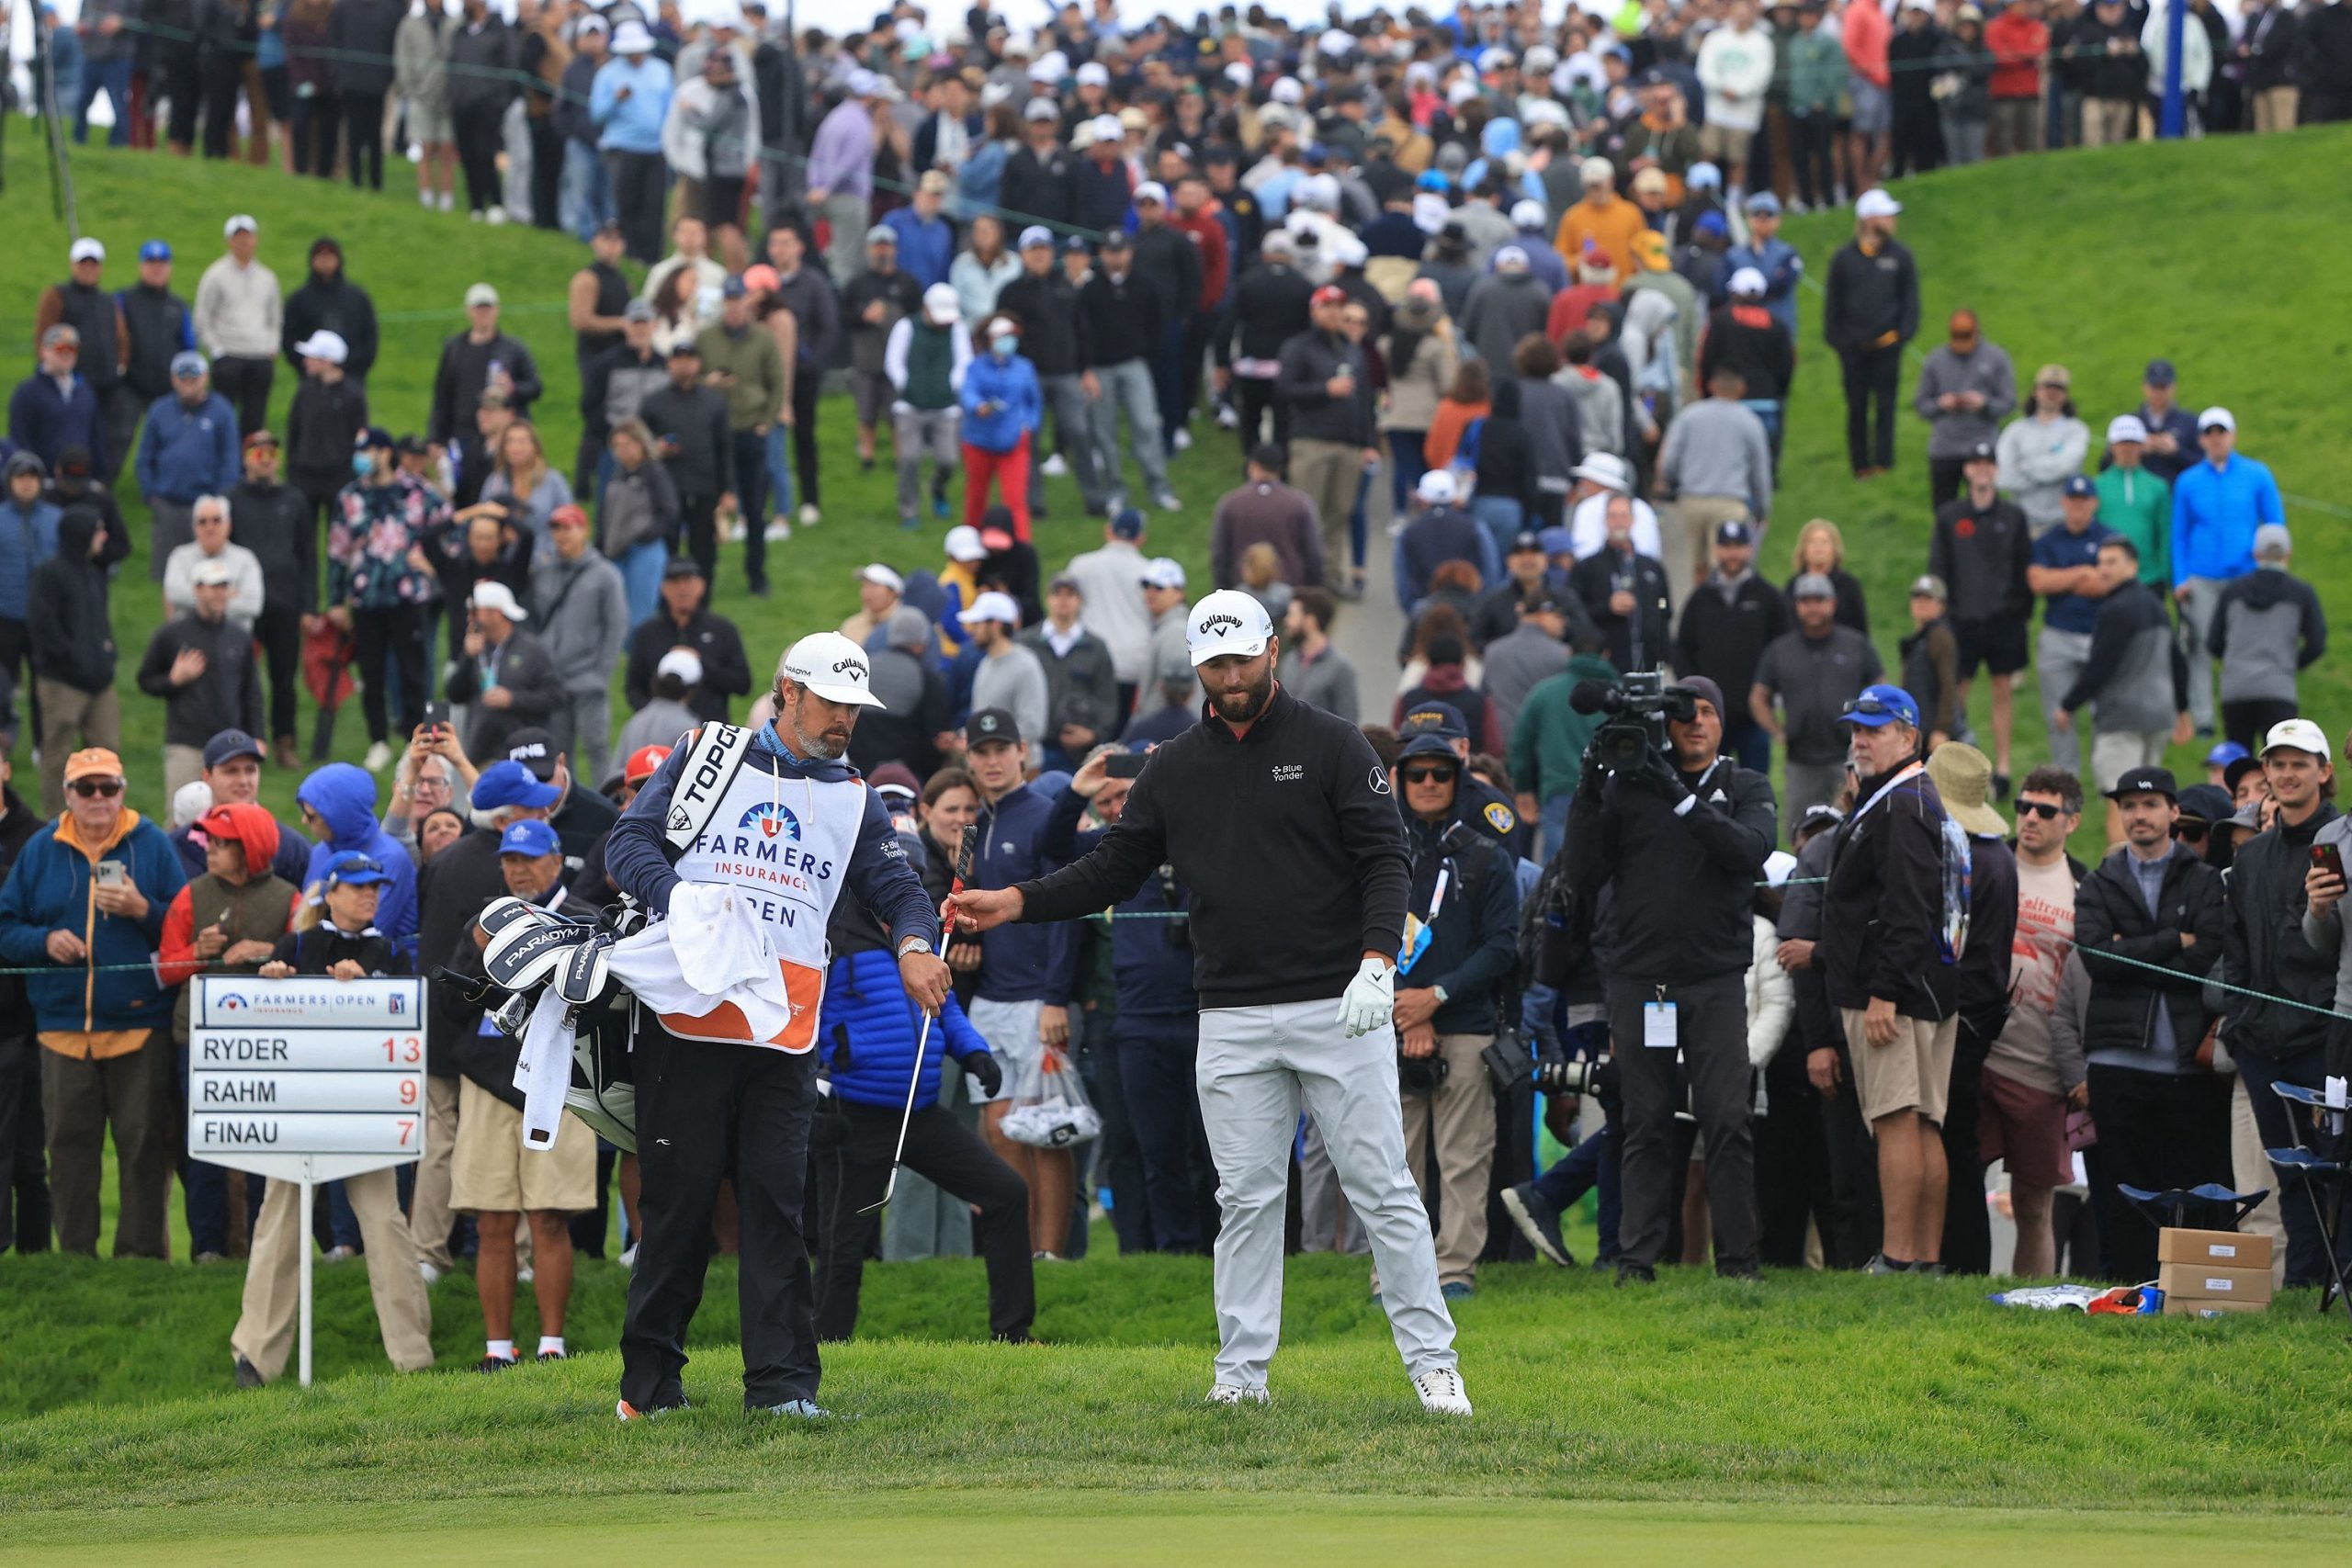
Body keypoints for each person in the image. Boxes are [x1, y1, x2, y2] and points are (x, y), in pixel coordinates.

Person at [956, 590, 1470, 1416]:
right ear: (1194, 665)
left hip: (1337, 1002)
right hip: (1228, 1010)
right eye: (1213, 663)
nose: (1228, 677)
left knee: (1382, 1187)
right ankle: (1241, 1375)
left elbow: (1385, 857)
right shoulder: (1173, 767)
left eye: (1240, 659)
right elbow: (1111, 870)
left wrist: (1378, 959)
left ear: (1272, 648)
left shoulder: (1335, 744)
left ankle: (1434, 1366)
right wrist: (1013, 900)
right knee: (1246, 1199)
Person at [604, 633, 949, 1419]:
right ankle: (649, 1388)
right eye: (832, 705)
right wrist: (679, 900)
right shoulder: (705, 751)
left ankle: (784, 1387)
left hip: (784, 1034)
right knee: (678, 1210)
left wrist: (916, 943)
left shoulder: (854, 795)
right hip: (686, 1018)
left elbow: (898, 886)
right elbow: (627, 842)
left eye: (855, 710)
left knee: (776, 1208)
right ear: (787, 690)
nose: (844, 723)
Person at [1566, 670, 1777, 1280]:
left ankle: (1738, 1263)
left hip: (1713, 980)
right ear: (1666, 725)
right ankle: (1638, 1259)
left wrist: (1679, 797)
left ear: (1721, 720)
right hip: (1641, 980)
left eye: (1707, 712)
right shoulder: (1630, 787)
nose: (1697, 723)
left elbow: (1748, 849)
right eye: (1685, 715)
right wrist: (1588, 788)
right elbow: (1582, 872)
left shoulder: (1745, 784)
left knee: (1725, 1116)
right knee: (1645, 1119)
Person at [809, 887, 1028, 1341]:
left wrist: (973, 1053)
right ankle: (823, 1348)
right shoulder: (833, 939)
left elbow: (944, 1008)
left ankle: (1013, 1332)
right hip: (855, 1116)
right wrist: (815, 1090)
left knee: (1006, 1193)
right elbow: (807, 1018)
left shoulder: (923, 941)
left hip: (923, 1113)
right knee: (843, 1246)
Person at [0, 748, 186, 1258]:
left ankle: (140, 1259)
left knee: (143, 1146)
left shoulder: (150, 846)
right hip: (61, 1029)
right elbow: (5, 927)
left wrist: (142, 908)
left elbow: (185, 928)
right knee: (67, 1149)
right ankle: (77, 1259)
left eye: (108, 787)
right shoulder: (40, 849)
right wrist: (44, 942)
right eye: (87, 788)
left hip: (138, 1026)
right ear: (68, 795)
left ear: (123, 790)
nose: (98, 798)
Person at [1817, 686, 1959, 1274]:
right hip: (1922, 989)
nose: (1860, 740)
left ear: (1909, 736)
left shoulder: (1902, 804)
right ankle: (1922, 1260)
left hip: (1895, 993)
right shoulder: (1914, 797)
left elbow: (1908, 908)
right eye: (1855, 729)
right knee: (1921, 1120)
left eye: (1873, 729)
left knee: (1897, 1120)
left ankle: (1900, 1259)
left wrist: (1883, 991)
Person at [2071, 765, 2228, 1285]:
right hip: (2117, 1062)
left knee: (2187, 1185)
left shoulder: (2204, 880)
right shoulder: (2099, 881)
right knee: (2120, 1189)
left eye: (2151, 804)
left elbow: (2206, 954)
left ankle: (2185, 1290)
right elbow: (2096, 959)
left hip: (2186, 1062)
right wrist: (2168, 941)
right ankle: (2127, 1292)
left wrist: (2128, 951)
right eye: (2129, 806)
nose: (2139, 815)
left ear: (2173, 812)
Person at [445, 818, 590, 1371]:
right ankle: (497, 1349)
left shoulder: (582, 920)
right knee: (492, 1220)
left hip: (556, 1082)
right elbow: (452, 1008)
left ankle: (552, 1345)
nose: (517, 869)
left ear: (557, 861)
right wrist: (481, 955)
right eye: (508, 859)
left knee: (549, 1216)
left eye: (528, 858)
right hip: (488, 1085)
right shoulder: (482, 924)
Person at [1381, 732, 1520, 1296]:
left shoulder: (1487, 857)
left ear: (1458, 781)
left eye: (1442, 774)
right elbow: (1355, 934)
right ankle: (1391, 1278)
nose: (1431, 783)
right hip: (1388, 1022)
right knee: (1393, 1166)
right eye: (1419, 775)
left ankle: (1455, 1271)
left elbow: (1503, 946)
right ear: (1400, 782)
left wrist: (1435, 999)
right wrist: (1407, 1010)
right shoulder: (1375, 853)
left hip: (1465, 1024)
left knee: (1464, 1160)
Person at [2219, 721, 2337, 1290]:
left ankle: (2322, 1286)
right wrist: (2241, 1027)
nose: (2287, 774)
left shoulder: (2336, 844)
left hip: (2320, 1039)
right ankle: (2301, 1286)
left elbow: (2324, 947)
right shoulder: (2252, 856)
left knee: (2328, 1170)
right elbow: (2234, 948)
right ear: (2265, 772)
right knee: (2289, 1175)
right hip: (2260, 1043)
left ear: (2324, 771)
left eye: (2299, 763)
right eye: (2278, 763)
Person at [1921, 743, 2018, 1277]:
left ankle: (1957, 1262)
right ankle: (1965, 1263)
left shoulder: (1962, 855)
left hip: (1957, 1017)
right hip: (1981, 1015)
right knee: (1959, 1145)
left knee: (1948, 1142)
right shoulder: (1999, 855)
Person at [2059, 537, 2193, 847]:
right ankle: (2148, 872)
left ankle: (2119, 882)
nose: (2103, 569)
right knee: (2148, 803)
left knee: (2123, 803)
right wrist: (2181, 709)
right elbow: (2178, 661)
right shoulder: (2156, 606)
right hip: (2158, 716)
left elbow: (2100, 665)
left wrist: (2068, 704)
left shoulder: (2115, 609)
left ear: (2132, 566)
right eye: (2101, 562)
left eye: (2112, 562)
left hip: (2122, 718)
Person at [328, 427, 445, 773]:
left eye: (369, 450)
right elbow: (337, 549)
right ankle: (378, 739)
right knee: (372, 671)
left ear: (385, 453)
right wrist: (336, 598)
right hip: (367, 597)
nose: (363, 457)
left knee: (413, 671)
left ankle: (416, 740)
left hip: (409, 596)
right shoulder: (350, 497)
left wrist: (432, 565)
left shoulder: (417, 492)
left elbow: (448, 531)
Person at [2172, 409, 2285, 738]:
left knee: (2245, 645)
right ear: (2201, 439)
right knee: (2202, 646)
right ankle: (2204, 717)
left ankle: (2246, 708)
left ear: (2232, 436)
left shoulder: (2257, 475)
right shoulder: (2188, 481)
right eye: (2209, 433)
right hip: (2202, 577)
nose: (2216, 438)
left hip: (2246, 577)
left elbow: (2275, 526)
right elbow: (2179, 534)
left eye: (2221, 432)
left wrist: (2271, 569)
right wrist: (2181, 579)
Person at [1928, 441, 2033, 795]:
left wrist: (2020, 612)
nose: (1983, 469)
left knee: (2002, 690)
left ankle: (2002, 768)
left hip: (2003, 619)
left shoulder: (2013, 516)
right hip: (1962, 619)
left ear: (1997, 470)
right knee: (1957, 692)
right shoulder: (1950, 516)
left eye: (1989, 462)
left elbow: (2024, 568)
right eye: (1976, 462)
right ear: (1967, 470)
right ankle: (1959, 764)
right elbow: (1939, 569)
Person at [136, 560, 263, 798]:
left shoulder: (239, 636)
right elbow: (145, 680)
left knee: (238, 816)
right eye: (213, 587)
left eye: (224, 587)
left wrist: (258, 736)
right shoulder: (172, 634)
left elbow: (251, 691)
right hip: (187, 744)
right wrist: (174, 680)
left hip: (230, 746)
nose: (220, 593)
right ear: (197, 590)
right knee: (181, 817)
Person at [1677, 521, 1792, 776]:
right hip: (1708, 717)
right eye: (1726, 546)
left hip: (1754, 717)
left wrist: (1771, 692)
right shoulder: (1700, 599)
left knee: (1754, 786)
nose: (1732, 553)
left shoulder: (1768, 597)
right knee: (1708, 788)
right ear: (1716, 550)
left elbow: (1783, 649)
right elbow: (1683, 648)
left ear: (1750, 549)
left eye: (1738, 546)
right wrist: (1694, 694)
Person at [28, 507, 121, 817]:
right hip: (61, 682)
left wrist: (108, 657)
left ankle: (107, 816)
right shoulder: (48, 574)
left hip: (99, 682)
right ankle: (58, 824)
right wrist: (72, 660)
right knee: (59, 756)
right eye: (98, 530)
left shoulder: (95, 573)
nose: (104, 536)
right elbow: (43, 627)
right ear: (82, 534)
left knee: (108, 753)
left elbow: (100, 625)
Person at [1080, 231, 1182, 515]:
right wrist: (1085, 368)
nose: (1116, 257)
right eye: (1111, 251)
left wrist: (1148, 353)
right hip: (1100, 368)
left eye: (1121, 251)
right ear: (1103, 253)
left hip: (1134, 363)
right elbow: (1082, 332)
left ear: (1130, 252)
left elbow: (1156, 324)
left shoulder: (1145, 285)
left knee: (1146, 425)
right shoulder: (1090, 290)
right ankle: (1114, 490)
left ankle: (1159, 487)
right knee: (1104, 432)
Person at [529, 503, 629, 788]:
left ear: (583, 530)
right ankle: (565, 809)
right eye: (556, 529)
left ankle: (611, 809)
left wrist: (601, 674)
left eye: (568, 528)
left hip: (588, 678)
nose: (562, 536)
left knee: (597, 747)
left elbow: (617, 625)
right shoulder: (544, 573)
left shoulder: (604, 574)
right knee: (559, 752)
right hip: (552, 681)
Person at [695, 279, 786, 594]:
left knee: (755, 506)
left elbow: (777, 381)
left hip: (750, 429)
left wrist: (767, 422)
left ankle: (757, 574)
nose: (734, 306)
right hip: (716, 434)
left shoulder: (763, 338)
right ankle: (704, 577)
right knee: (709, 507)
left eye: (738, 300)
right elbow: (693, 377)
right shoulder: (706, 338)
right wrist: (710, 382)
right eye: (729, 300)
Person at [1821, 189, 1917, 480]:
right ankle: (1860, 465)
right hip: (1854, 349)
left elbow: (1910, 301)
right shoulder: (1843, 259)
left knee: (1886, 407)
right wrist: (1841, 342)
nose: (1892, 221)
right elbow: (1832, 306)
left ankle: (1885, 463)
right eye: (1887, 215)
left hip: (1887, 346)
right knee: (1857, 407)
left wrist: (1902, 335)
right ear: (1869, 219)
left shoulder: (1900, 257)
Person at [1656, 370, 1772, 609]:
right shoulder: (1748, 420)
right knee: (1726, 568)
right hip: (1730, 503)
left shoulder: (1689, 416)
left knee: (1698, 568)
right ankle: (1724, 615)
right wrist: (1762, 508)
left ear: (1710, 386)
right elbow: (1760, 470)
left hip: (1691, 501)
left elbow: (1668, 460)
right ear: (1741, 390)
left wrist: (1675, 482)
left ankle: (1701, 613)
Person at [2027, 476, 2117, 777]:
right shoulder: (2049, 540)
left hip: (2099, 635)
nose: (2078, 506)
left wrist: (2062, 580)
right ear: (2064, 502)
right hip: (2058, 634)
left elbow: (2110, 583)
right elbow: (2038, 581)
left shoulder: (2109, 539)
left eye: (2084, 500)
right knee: (2060, 714)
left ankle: (2108, 778)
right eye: (2072, 500)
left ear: (2094, 503)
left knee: (2105, 712)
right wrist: (2081, 573)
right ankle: (2067, 781)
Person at [2207, 525, 2324, 753]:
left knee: (2240, 763)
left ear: (2255, 554)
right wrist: (2288, 666)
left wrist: (2235, 662)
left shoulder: (2232, 591)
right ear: (2288, 554)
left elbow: (2213, 642)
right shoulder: (2301, 593)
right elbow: (2316, 644)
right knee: (2280, 760)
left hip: (2236, 688)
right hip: (2278, 686)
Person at [427, 284, 544, 511]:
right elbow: (442, 396)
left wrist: (513, 388)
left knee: (498, 489)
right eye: (479, 309)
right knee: (461, 492)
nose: (484, 314)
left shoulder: (513, 349)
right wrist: (435, 438)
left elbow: (535, 387)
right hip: (462, 433)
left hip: (499, 436)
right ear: (469, 311)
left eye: (488, 309)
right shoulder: (454, 348)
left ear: (496, 310)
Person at [136, 354, 241, 581]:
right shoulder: (159, 410)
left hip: (206, 507)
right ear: (173, 379)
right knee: (168, 575)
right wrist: (151, 494)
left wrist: (220, 498)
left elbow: (230, 459)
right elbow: (144, 457)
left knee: (208, 574)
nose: (188, 383)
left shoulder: (222, 411)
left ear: (205, 378)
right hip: (168, 504)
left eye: (194, 377)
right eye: (182, 378)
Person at [885, 284, 970, 535]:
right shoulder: (906, 327)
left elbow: (964, 361)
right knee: (909, 459)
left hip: (945, 408)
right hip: (910, 407)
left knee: (948, 460)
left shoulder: (958, 329)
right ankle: (909, 510)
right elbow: (893, 360)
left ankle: (937, 489)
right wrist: (907, 385)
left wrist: (949, 386)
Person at [193, 216, 281, 436]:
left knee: (255, 419)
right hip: (229, 355)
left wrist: (271, 348)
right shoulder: (215, 275)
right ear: (229, 241)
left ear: (256, 240)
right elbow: (203, 318)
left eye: (248, 236)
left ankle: (249, 467)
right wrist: (217, 351)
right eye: (238, 236)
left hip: (259, 356)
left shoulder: (267, 278)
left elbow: (275, 319)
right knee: (222, 416)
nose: (243, 242)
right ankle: (225, 464)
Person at [959, 315, 1043, 541]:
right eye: (1004, 337)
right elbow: (968, 392)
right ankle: (970, 540)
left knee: (1015, 499)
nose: (1009, 341)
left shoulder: (1024, 368)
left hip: (1013, 440)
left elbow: (1033, 402)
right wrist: (978, 406)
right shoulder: (976, 367)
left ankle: (1021, 543)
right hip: (979, 440)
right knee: (976, 495)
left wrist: (1028, 426)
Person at [1571, 495, 1672, 675]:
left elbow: (1665, 610)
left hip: (1647, 666)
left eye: (1624, 516)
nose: (1618, 522)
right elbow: (1576, 612)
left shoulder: (1651, 568)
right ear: (1605, 520)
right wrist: (1608, 608)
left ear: (1633, 520)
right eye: (1613, 516)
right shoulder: (1587, 567)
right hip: (1606, 666)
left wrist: (1661, 652)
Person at [1995, 364, 2090, 535]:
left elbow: (2064, 466)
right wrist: (2049, 471)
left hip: (2062, 525)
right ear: (2035, 391)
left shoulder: (2076, 431)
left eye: (2058, 388)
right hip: (2022, 525)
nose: (2052, 392)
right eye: (2047, 386)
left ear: (2066, 395)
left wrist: (2023, 466)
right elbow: (2002, 477)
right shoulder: (2015, 431)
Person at [1213, 446, 1323, 592]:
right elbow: (1313, 553)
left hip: (1242, 593)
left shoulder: (1230, 503)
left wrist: (1222, 592)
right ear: (1281, 468)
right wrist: (1313, 592)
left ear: (1253, 465)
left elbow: (1220, 555)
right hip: (1291, 593)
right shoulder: (1300, 503)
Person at [10, 329, 108, 480]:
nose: (68, 353)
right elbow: (20, 439)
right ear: (44, 351)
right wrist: (34, 477)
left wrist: (99, 478)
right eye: (61, 348)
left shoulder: (85, 391)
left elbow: (96, 436)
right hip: (44, 482)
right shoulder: (28, 392)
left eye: (73, 348)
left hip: (82, 480)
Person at [161, 494, 265, 630]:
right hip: (190, 640)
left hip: (232, 643)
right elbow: (174, 594)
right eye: (202, 521)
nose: (209, 527)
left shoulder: (245, 559)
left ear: (229, 525)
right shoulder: (179, 557)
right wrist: (226, 596)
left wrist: (200, 596)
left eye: (216, 520)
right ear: (194, 527)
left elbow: (253, 604)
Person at [2094, 416, 2172, 588]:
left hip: (2149, 577)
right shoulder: (2097, 485)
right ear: (2112, 446)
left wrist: (2163, 572)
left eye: (2133, 443)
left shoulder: (2157, 486)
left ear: (2142, 446)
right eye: (2122, 443)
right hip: (2108, 576)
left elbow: (2164, 533)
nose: (2127, 449)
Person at [1275, 589, 1360, 726]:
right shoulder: (1289, 661)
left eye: (1292, 615)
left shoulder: (1341, 668)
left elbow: (1350, 724)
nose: (1286, 621)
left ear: (1310, 621)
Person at [1900, 576, 1962, 749]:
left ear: (1941, 606)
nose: (1921, 603)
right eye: (1917, 598)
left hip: (1931, 732)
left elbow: (1948, 685)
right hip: (1918, 728)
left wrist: (1941, 729)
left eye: (1928, 599)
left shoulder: (1939, 637)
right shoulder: (1918, 639)